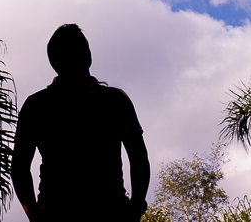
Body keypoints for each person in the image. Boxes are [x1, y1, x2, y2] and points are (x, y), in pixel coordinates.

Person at [12, 24, 150, 222]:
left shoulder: (37, 105)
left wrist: (34, 214)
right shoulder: (114, 100)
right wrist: (135, 206)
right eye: (80, 49)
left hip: (59, 210)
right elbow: (138, 156)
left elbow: (20, 166)